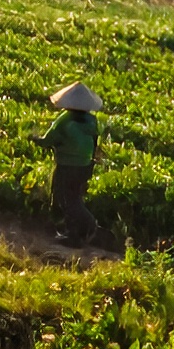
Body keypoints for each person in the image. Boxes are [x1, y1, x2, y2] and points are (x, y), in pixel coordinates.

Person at [36, 83, 103, 244]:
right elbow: (95, 140)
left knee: (66, 199)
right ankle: (74, 230)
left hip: (67, 165)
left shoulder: (64, 120)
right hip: (85, 165)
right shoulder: (92, 120)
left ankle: (85, 227)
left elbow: (48, 140)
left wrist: (34, 138)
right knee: (75, 197)